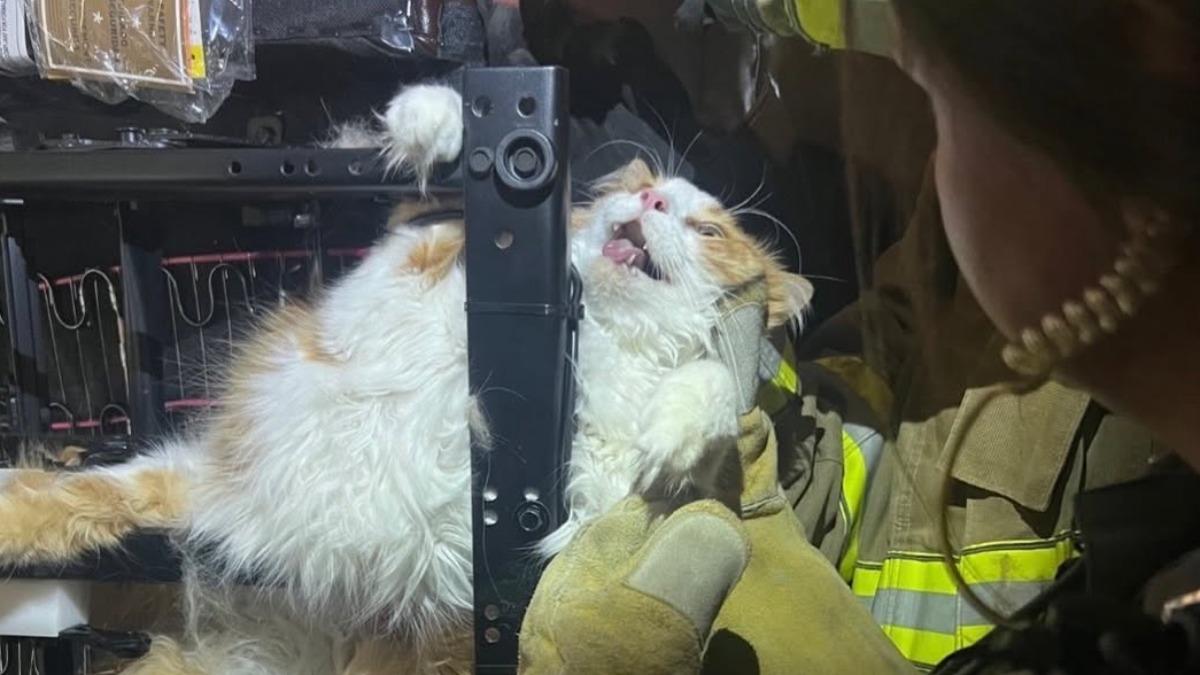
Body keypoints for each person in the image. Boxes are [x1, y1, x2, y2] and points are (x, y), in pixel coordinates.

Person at [517, 0, 1199, 673]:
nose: (938, 171)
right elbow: (866, 388)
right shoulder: (942, 293)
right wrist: (751, 412)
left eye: (943, 109)